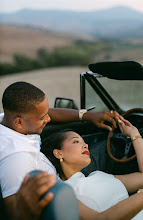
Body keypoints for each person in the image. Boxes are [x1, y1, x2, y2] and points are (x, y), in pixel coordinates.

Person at [0, 81, 121, 219]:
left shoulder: (7, 120)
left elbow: (47, 112)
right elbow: (14, 214)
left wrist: (87, 116)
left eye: (46, 113)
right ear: (19, 122)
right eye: (42, 118)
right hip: (63, 194)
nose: (49, 118)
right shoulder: (17, 160)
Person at [41, 119, 143, 220]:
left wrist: (134, 135)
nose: (85, 145)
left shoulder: (98, 175)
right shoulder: (64, 192)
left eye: (84, 142)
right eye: (76, 141)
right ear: (59, 153)